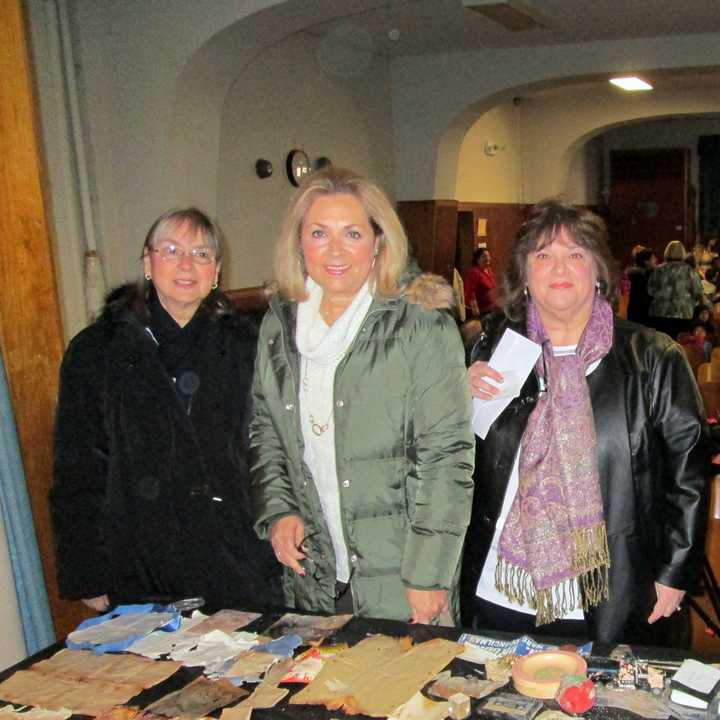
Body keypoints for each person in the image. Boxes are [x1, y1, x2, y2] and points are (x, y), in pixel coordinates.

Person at [461, 199, 709, 646]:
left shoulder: (651, 357)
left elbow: (687, 478)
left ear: (598, 271)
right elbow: (456, 464)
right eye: (543, 255)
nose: (560, 267)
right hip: (500, 587)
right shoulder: (491, 349)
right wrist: (454, 399)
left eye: (576, 254)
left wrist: (675, 571)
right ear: (524, 275)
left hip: (611, 593)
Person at [250, 167, 474, 624]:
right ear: (299, 242)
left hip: (402, 571)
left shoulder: (420, 325)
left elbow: (446, 456)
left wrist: (429, 575)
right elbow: (266, 429)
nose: (334, 250)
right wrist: (279, 510)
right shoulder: (279, 325)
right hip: (314, 567)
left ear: (378, 241)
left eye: (352, 233)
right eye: (318, 233)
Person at [51, 208, 282, 612]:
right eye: (171, 250)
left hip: (238, 557)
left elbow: (274, 449)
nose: (186, 264)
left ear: (217, 272)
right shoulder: (97, 351)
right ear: (147, 262)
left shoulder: (249, 345)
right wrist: (87, 571)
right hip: (142, 561)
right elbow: (78, 467)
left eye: (201, 254)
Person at [647, 240, 704, 339]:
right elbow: (697, 290)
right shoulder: (689, 270)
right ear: (683, 253)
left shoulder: (658, 270)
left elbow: (650, 290)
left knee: (663, 342)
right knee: (681, 342)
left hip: (660, 312)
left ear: (667, 252)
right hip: (683, 313)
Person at [625, 247, 656, 325]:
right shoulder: (647, 275)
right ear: (646, 261)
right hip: (645, 312)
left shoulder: (633, 275)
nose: (656, 260)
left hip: (633, 311)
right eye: (653, 258)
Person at [464, 247, 497, 318]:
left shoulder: (488, 270)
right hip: (481, 311)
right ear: (477, 259)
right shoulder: (474, 272)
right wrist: (475, 309)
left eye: (489, 256)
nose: (488, 258)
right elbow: (470, 292)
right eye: (484, 256)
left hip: (490, 308)